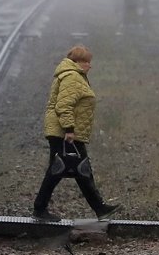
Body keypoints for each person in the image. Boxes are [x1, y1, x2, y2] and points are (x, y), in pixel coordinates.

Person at [31, 45, 121, 222]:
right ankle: (39, 209)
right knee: (60, 170)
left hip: (66, 132)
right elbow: (63, 105)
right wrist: (69, 130)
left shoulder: (75, 76)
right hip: (65, 133)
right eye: (86, 62)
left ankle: (100, 208)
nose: (90, 65)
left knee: (80, 171)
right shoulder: (72, 77)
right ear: (77, 62)